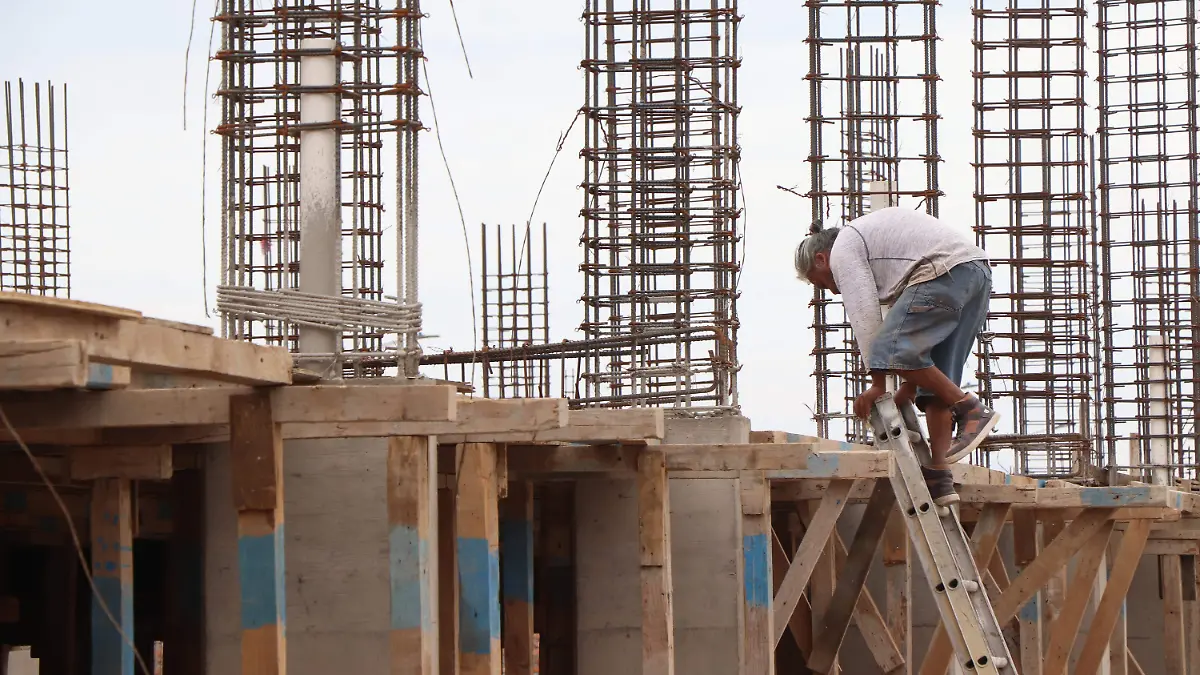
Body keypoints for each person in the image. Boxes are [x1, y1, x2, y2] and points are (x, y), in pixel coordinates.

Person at [793, 206, 999, 505]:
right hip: (974, 273)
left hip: (944, 271)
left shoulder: (844, 251)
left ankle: (971, 410)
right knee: (938, 381)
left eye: (821, 282)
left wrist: (879, 383)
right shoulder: (880, 253)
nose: (831, 291)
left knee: (888, 348)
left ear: (821, 259)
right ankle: (940, 476)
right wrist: (908, 386)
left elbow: (865, 318)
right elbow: (916, 347)